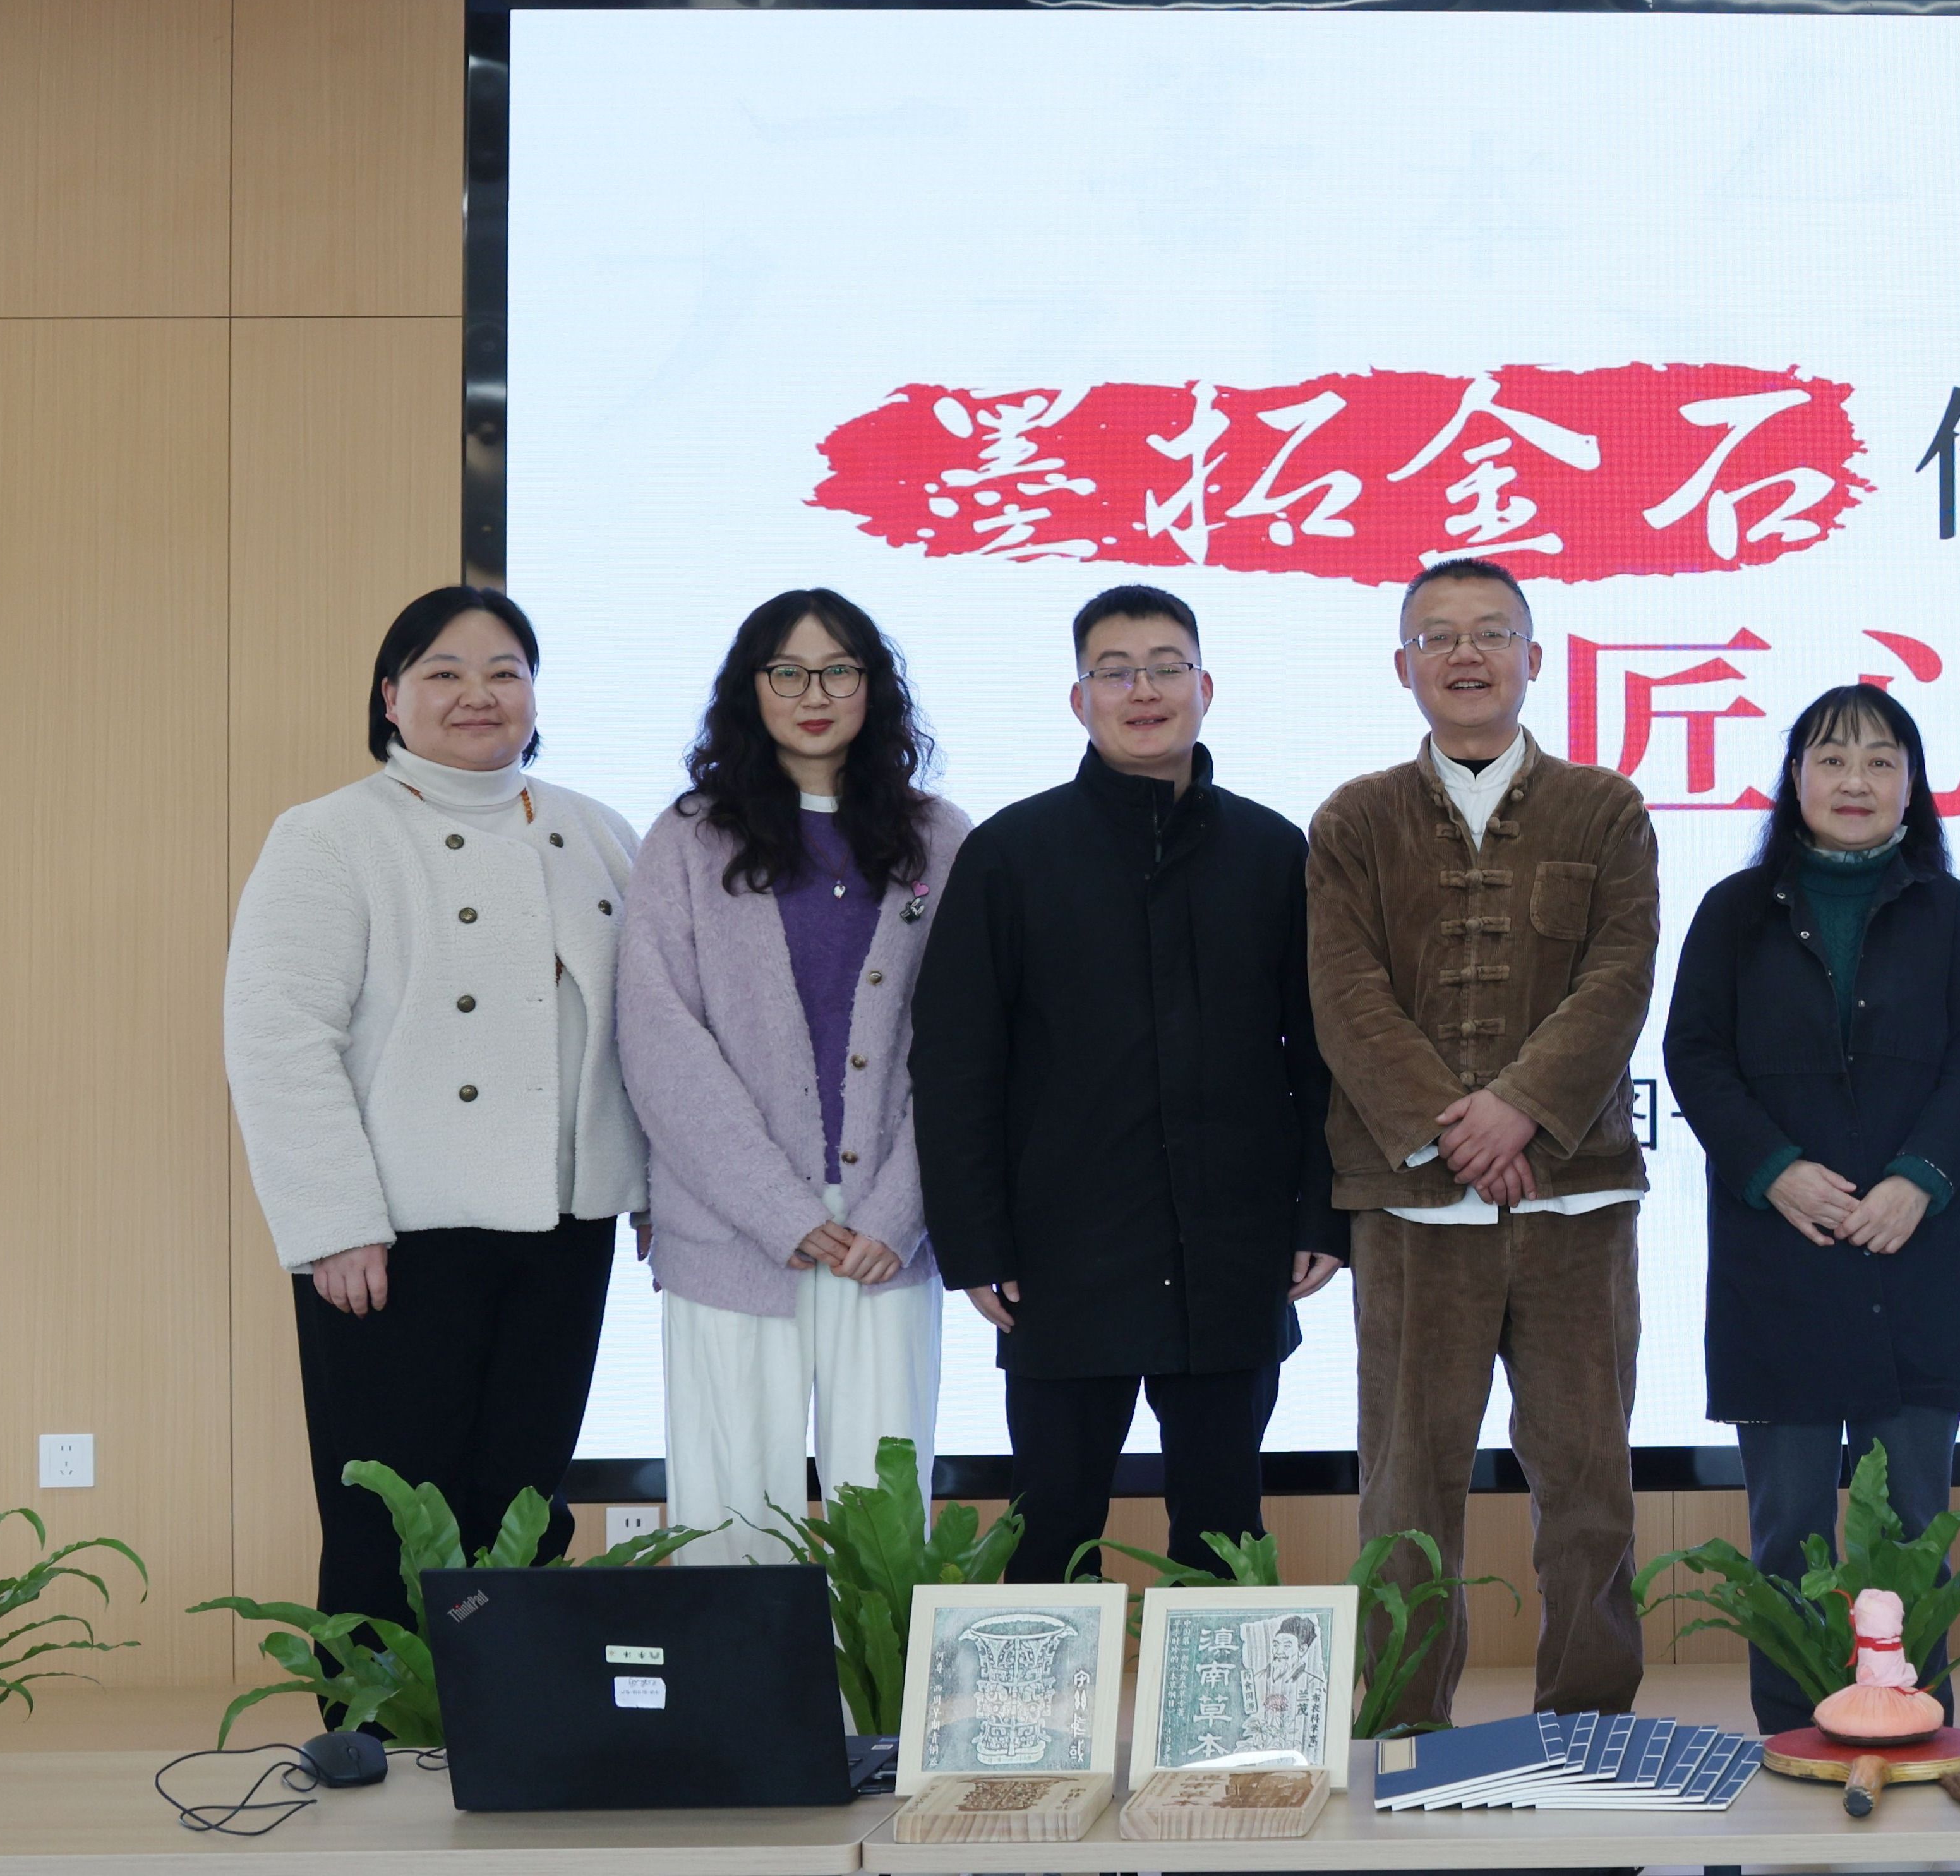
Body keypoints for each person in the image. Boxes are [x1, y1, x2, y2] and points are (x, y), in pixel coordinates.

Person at [226, 586, 648, 1630]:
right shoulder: (331, 834)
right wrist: (334, 1223)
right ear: (391, 695)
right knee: (390, 1512)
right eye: (444, 673)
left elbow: (645, 1032)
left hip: (565, 1222)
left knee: (526, 1505)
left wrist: (655, 1188)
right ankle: (375, 1721)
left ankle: (513, 1715)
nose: (478, 694)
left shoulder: (597, 831)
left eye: (505, 671)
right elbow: (280, 1038)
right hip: (397, 1236)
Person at [910, 584, 1342, 1585]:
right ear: (1080, 698)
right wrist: (975, 1241)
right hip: (1063, 1255)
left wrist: (1321, 1210)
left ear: (1205, 687)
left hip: (1235, 1250)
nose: (1143, 690)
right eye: (1115, 671)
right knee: (1052, 1524)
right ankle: (1049, 1699)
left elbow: (1321, 1052)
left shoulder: (1273, 851)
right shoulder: (1011, 853)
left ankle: (1219, 1703)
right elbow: (957, 1060)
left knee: (1225, 1527)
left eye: (1165, 667)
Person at [1310, 558, 1662, 1727]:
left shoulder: (1604, 808)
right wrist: (1453, 1129)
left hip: (1576, 1204)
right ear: (1404, 665)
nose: (1467, 654)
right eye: (1440, 636)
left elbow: (1619, 978)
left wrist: (1521, 1107)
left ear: (1533, 658)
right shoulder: (1354, 818)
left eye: (1492, 633)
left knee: (1590, 1487)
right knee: (1406, 1490)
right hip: (1412, 1209)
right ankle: (1404, 1730)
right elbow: (1345, 991)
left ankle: (1592, 1724)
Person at [1664, 684, 1960, 1734]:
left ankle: (1916, 1731)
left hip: (1917, 1253)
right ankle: (1794, 1738)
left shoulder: (1952, 912)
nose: (1855, 780)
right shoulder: (1735, 910)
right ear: (1795, 779)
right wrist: (1773, 1167)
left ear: (1912, 785)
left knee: (1912, 1532)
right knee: (1790, 1534)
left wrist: (1922, 1176)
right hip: (1783, 1258)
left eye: (1880, 760)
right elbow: (1696, 1055)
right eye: (1831, 758)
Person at [620, 589, 968, 1558]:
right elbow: (659, 1038)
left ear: (874, 687)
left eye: (839, 671)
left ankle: (874, 1672)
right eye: (788, 672)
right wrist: (778, 1209)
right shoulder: (689, 838)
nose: (814, 694)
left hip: (883, 1237)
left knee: (882, 1519)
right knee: (728, 1510)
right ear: (752, 688)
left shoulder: (941, 837)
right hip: (730, 1231)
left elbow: (965, 1046)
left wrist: (899, 1211)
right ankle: (737, 1672)